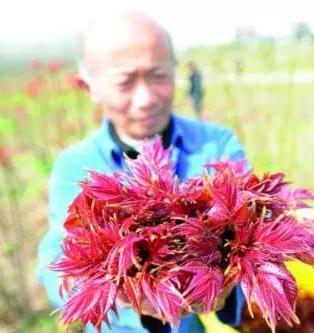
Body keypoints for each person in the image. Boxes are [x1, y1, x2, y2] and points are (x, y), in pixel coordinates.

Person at [37, 9, 249, 333]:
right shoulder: (73, 166)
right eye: (125, 82)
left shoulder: (217, 145)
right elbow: (58, 263)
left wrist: (229, 284)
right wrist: (123, 298)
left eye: (159, 75)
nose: (146, 98)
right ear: (89, 86)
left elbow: (252, 228)